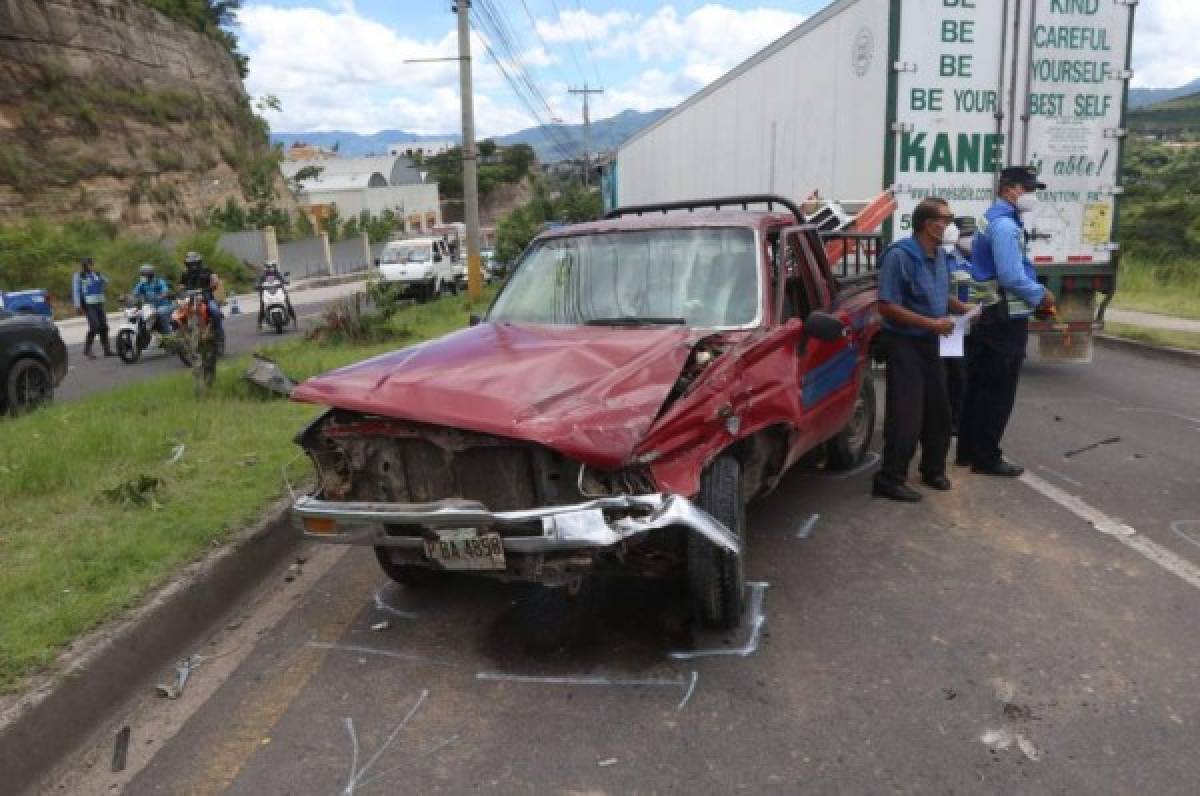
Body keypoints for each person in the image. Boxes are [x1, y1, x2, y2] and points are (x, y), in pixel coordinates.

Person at [871, 198, 974, 502]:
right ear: (930, 225)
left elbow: (940, 295)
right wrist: (931, 324)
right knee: (906, 415)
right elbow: (887, 306)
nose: (950, 225)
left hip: (934, 341)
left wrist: (961, 306)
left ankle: (933, 469)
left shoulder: (940, 255)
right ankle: (890, 478)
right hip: (906, 343)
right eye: (946, 219)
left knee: (939, 410)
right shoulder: (899, 257)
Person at [957, 166, 1056, 477]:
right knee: (997, 393)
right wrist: (1041, 295)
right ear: (1010, 189)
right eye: (1027, 189)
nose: (1031, 196)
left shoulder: (994, 218)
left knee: (980, 388)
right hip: (1003, 319)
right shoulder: (1004, 226)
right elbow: (1011, 275)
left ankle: (968, 452)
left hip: (991, 315)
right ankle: (986, 457)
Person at [942, 216, 976, 435]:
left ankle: (961, 417)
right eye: (965, 236)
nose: (970, 240)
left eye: (972, 236)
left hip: (971, 324)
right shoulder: (946, 259)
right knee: (955, 374)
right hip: (950, 325)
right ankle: (952, 421)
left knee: (968, 373)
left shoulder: (976, 261)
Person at [178, 251, 224, 342]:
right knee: (178, 312)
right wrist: (180, 290)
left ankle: (219, 333)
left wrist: (214, 283)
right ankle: (181, 335)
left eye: (195, 264)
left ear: (199, 263)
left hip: (206, 298)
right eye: (191, 264)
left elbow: (214, 279)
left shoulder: (207, 270)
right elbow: (181, 285)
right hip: (190, 299)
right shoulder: (185, 274)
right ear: (187, 264)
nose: (193, 266)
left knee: (215, 311)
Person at [72, 256, 112, 358]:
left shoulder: (97, 274)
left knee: (104, 326)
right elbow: (76, 291)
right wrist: (77, 305)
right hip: (88, 304)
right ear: (84, 266)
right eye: (87, 265)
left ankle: (107, 350)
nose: (89, 266)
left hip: (99, 302)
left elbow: (107, 281)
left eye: (91, 264)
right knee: (94, 326)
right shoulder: (79, 276)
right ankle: (87, 349)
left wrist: (98, 275)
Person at [131, 263, 173, 336]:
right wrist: (128, 298)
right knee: (136, 313)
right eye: (141, 275)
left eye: (143, 275)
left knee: (161, 313)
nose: (142, 277)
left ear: (150, 275)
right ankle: (143, 331)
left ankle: (167, 335)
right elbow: (135, 293)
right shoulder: (142, 284)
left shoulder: (159, 282)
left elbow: (165, 291)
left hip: (163, 305)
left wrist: (162, 295)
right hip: (149, 306)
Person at [255, 260, 296, 330]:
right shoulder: (263, 275)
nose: (270, 268)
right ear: (265, 267)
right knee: (262, 307)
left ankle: (294, 319)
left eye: (272, 266)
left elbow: (283, 279)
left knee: (288, 303)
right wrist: (257, 286)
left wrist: (286, 281)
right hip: (266, 292)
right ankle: (259, 323)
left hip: (279, 291)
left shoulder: (277, 274)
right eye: (268, 267)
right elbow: (258, 282)